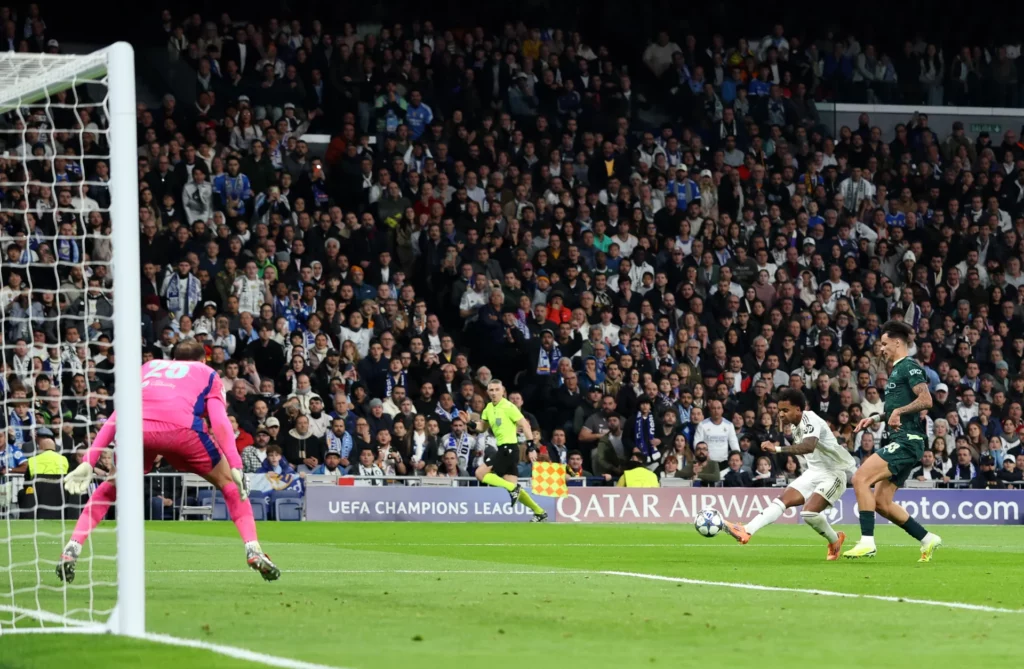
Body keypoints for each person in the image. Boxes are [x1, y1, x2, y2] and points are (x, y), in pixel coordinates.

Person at [60, 340, 279, 582]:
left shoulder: (149, 367)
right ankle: (253, 549)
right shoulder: (207, 373)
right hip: (182, 432)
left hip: (137, 430)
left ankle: (73, 546)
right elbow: (219, 420)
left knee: (111, 485)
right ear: (203, 360)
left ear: (173, 360)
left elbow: (117, 415)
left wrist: (89, 460)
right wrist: (235, 464)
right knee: (231, 485)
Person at [845, 320, 942, 561]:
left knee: (860, 478)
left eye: (884, 344)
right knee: (881, 502)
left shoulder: (909, 366)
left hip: (908, 440)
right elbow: (895, 409)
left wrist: (898, 412)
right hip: (904, 440)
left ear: (898, 342)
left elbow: (926, 400)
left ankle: (867, 542)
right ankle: (927, 538)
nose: (881, 349)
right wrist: (875, 417)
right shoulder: (896, 370)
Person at [723, 388, 854, 560]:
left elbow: (809, 446)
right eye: (780, 410)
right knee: (781, 501)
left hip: (834, 473)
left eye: (785, 410)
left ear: (798, 409)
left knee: (808, 513)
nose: (781, 414)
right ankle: (746, 530)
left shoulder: (811, 419)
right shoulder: (794, 426)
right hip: (814, 472)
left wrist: (777, 449)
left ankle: (835, 540)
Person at [473, 380, 547, 521]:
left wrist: (531, 447)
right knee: (511, 485)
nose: (494, 393)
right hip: (504, 449)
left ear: (503, 391)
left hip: (509, 449)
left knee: (480, 473)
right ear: (487, 392)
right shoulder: (488, 408)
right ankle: (539, 512)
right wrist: (469, 423)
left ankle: (514, 490)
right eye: (491, 390)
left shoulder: (509, 406)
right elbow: (482, 427)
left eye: (497, 390)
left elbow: (525, 425)